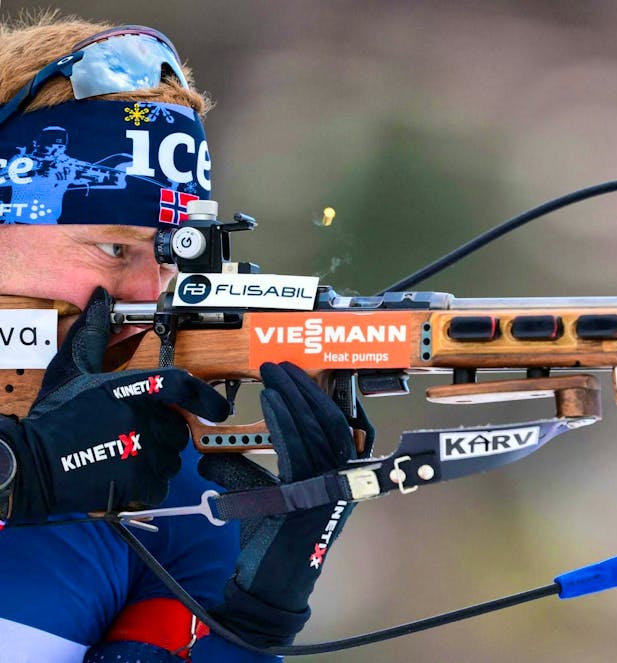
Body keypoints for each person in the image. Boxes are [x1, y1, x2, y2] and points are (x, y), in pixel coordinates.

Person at [0, 16, 369, 662]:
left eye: (170, 259)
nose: (150, 294)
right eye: (115, 248)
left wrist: (249, 620)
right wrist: (16, 475)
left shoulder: (157, 484)